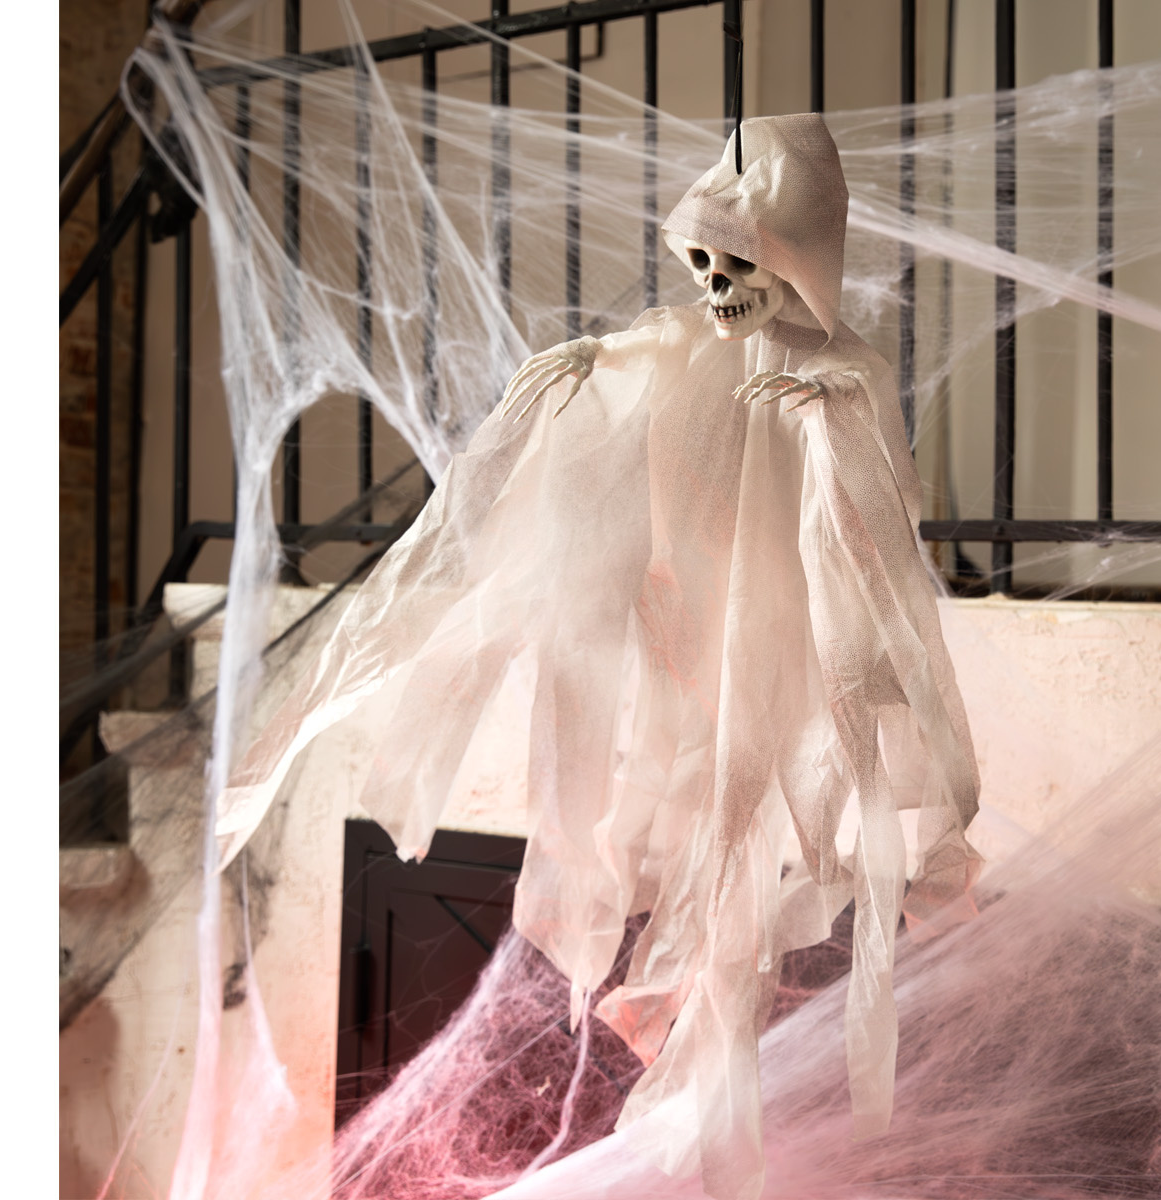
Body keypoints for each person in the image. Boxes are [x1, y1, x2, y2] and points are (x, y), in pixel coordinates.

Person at [216, 113, 980, 1200]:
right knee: (683, 828)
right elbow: (644, 361)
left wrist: (825, 418)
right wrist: (585, 365)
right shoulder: (688, 340)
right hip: (696, 635)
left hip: (786, 639)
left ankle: (715, 1116)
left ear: (797, 260)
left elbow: (883, 507)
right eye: (702, 263)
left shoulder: (844, 368)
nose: (715, 288)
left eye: (738, 265)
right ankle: (702, 1119)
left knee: (746, 842)